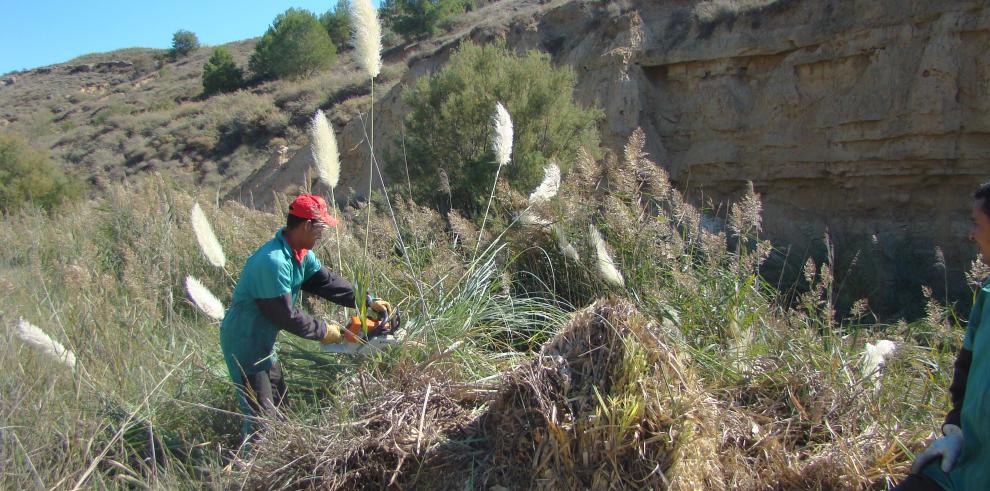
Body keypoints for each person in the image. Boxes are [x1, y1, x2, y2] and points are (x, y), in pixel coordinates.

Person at [219, 194, 391, 438]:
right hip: (244, 343)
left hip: (264, 342)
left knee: (281, 409)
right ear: (307, 225)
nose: (322, 234)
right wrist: (326, 331)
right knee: (261, 421)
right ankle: (249, 471)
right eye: (320, 227)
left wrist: (367, 301)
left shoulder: (300, 254)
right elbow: (285, 315)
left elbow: (327, 283)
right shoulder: (273, 262)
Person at [895, 181, 990, 490]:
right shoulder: (987, 298)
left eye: (977, 224)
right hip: (964, 468)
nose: (971, 234)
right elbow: (965, 373)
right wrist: (956, 432)